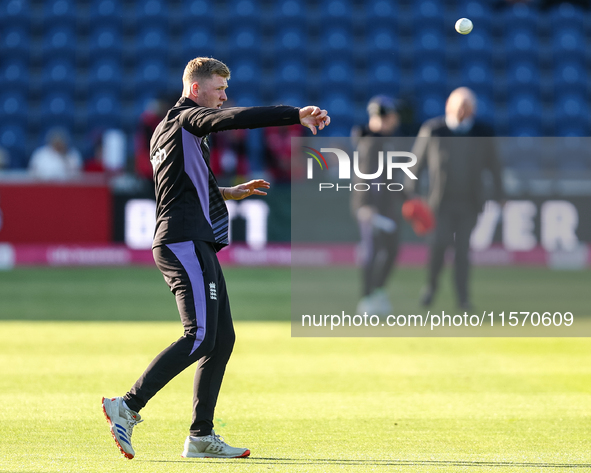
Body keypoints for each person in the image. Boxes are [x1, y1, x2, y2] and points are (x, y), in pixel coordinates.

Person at [102, 57, 330, 460]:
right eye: (219, 89)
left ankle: (200, 436)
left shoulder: (166, 130)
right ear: (195, 90)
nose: (225, 97)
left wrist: (228, 192)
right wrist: (295, 114)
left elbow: (180, 186)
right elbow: (239, 119)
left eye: (226, 90)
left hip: (192, 238)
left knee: (221, 338)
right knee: (200, 335)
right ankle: (127, 406)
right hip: (183, 240)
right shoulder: (189, 118)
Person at [405, 87, 504, 310]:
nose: (463, 111)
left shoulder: (483, 132)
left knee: (462, 251)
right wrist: (408, 191)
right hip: (440, 203)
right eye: (459, 106)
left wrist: (500, 195)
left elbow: (494, 166)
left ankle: (463, 298)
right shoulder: (434, 129)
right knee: (438, 246)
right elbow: (416, 163)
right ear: (449, 107)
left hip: (469, 202)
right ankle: (430, 287)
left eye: (467, 107)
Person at [351, 95, 404, 316]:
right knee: (372, 252)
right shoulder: (371, 141)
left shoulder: (386, 140)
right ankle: (367, 299)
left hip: (387, 205)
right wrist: (365, 205)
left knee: (391, 250)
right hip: (372, 207)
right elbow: (363, 177)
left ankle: (378, 291)